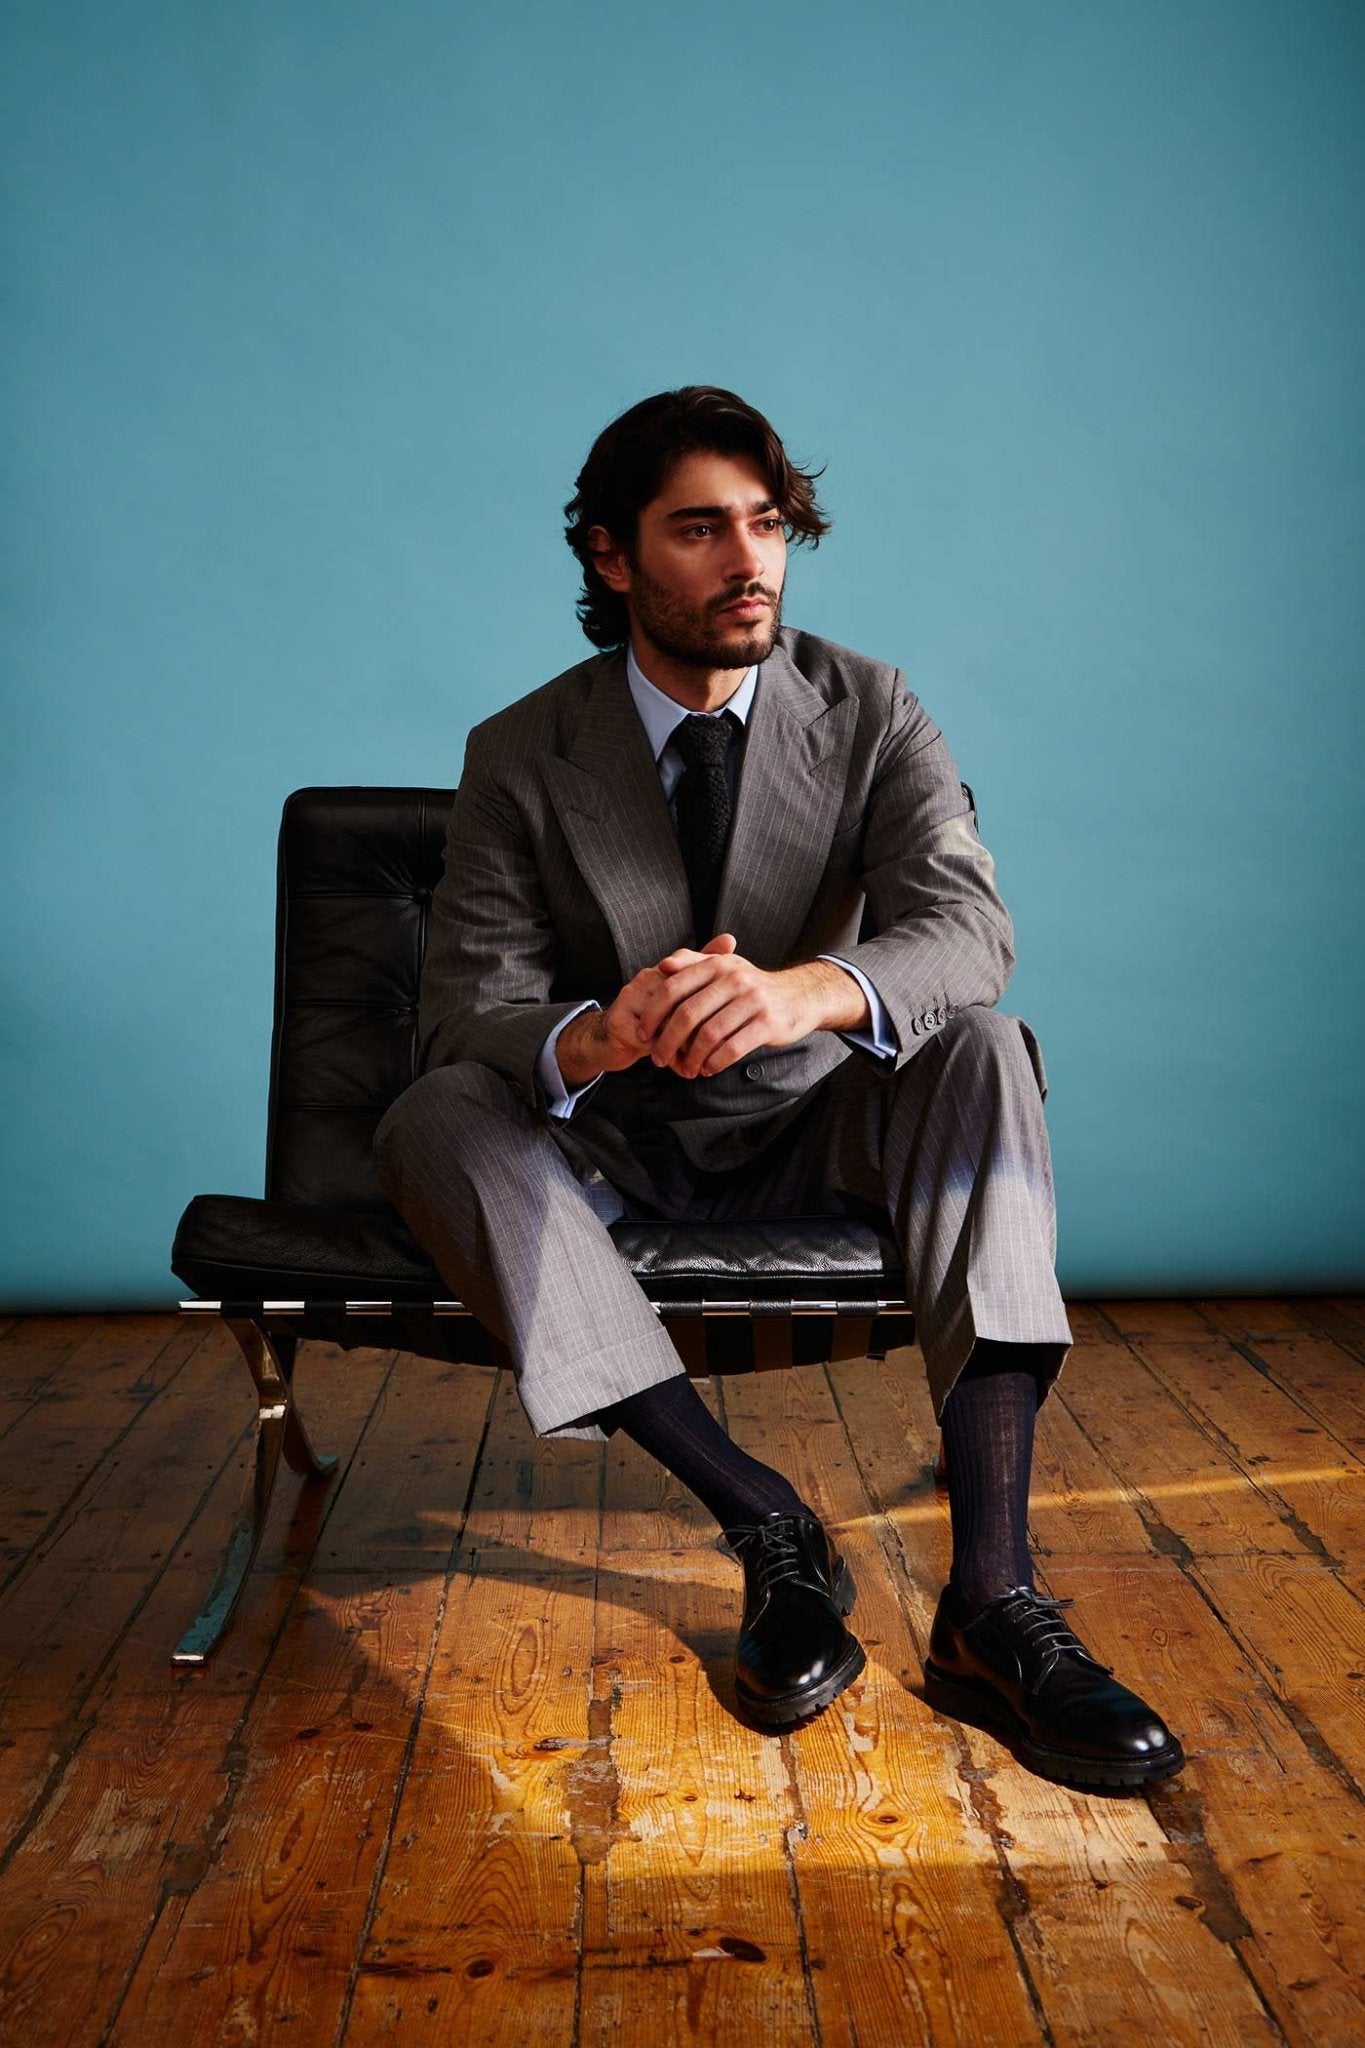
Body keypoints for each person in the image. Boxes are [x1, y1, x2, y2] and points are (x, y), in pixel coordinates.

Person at [374, 385, 1183, 1791]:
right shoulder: (523, 749)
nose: (748, 561)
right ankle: (763, 1519)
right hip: (614, 1147)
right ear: (610, 555)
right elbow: (468, 1005)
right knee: (433, 1112)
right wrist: (595, 1033)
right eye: (698, 529)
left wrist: (804, 989)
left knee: (987, 1046)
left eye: (767, 524)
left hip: (820, 1121)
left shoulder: (869, 706)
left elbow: (966, 930)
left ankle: (991, 1603)